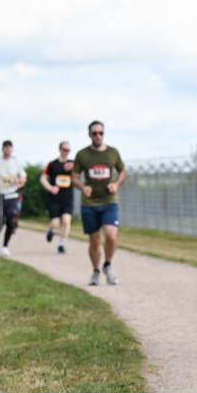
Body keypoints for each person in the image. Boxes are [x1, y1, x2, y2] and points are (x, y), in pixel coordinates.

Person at [72, 121, 126, 286]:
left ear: (104, 134)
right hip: (89, 203)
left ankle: (107, 265)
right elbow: (74, 177)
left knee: (111, 235)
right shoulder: (82, 155)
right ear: (89, 135)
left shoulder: (112, 153)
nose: (98, 136)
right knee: (94, 241)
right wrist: (82, 187)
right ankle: (95, 271)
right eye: (94, 133)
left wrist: (116, 184)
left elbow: (122, 171)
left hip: (109, 201)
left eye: (101, 133)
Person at [0, 140, 27, 257]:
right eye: (6, 148)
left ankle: (5, 246)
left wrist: (18, 182)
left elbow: (23, 178)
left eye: (10, 148)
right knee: (0, 220)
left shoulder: (16, 163)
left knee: (11, 220)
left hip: (12, 194)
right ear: (3, 149)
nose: (8, 150)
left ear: (12, 149)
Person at [41, 141, 75, 254]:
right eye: (64, 150)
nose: (66, 152)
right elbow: (43, 178)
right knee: (56, 223)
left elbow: (81, 172)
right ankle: (51, 230)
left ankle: (62, 244)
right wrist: (50, 187)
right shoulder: (52, 164)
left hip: (67, 198)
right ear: (60, 150)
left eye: (68, 150)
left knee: (66, 221)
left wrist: (74, 168)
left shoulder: (73, 164)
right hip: (54, 198)